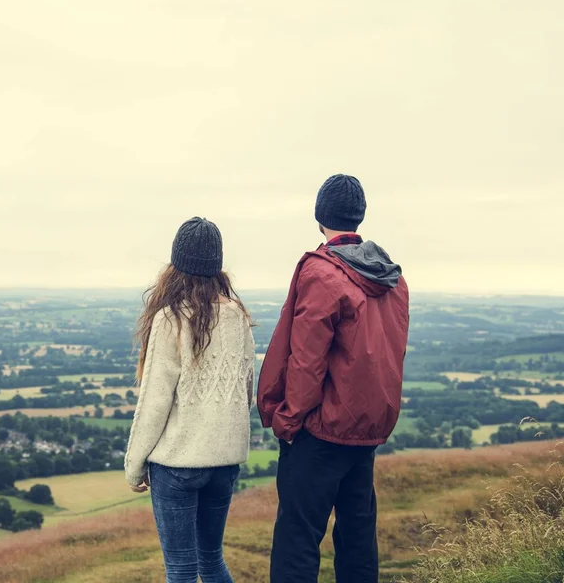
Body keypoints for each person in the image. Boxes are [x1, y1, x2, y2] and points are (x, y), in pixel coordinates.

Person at [258, 174, 410, 583]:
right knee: (358, 537)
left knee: (297, 541)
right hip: (364, 430)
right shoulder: (392, 279)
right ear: (358, 217)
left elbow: (307, 361)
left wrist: (288, 421)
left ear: (320, 216)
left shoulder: (321, 273)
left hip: (320, 431)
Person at [125, 217, 255, 583]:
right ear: (217, 264)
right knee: (212, 562)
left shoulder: (170, 318)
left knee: (180, 570)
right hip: (225, 462)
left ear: (176, 264)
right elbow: (245, 391)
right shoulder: (238, 316)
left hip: (178, 464)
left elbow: (154, 401)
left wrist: (135, 465)